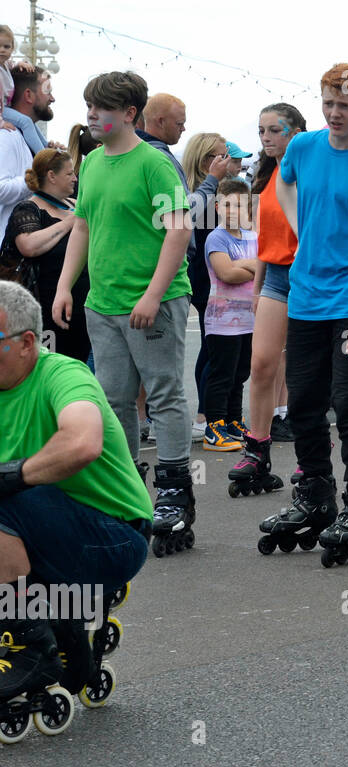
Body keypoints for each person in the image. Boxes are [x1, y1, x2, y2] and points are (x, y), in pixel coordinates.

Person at [259, 64, 348, 566]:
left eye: (345, 104)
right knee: (303, 406)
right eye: (328, 103)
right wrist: (302, 230)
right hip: (305, 297)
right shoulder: (301, 148)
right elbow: (284, 186)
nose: (335, 113)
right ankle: (316, 496)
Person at [53, 71, 194, 558]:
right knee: (113, 400)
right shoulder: (90, 162)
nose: (91, 115)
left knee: (163, 394)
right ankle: (128, 489)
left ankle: (175, 494)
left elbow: (178, 231)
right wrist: (65, 286)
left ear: (130, 114)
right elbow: (83, 226)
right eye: (88, 106)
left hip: (153, 301)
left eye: (100, 108)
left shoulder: (153, 163)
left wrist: (153, 295)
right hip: (104, 304)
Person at [0, 281, 152, 727]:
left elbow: (83, 442)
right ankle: (64, 640)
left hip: (115, 536)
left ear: (28, 343)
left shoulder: (63, 375)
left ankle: (34, 649)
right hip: (47, 531)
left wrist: (11, 475)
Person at [227, 103, 306, 500]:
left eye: (276, 130)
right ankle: (257, 449)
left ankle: (311, 456)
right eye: (262, 131)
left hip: (310, 274)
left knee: (307, 370)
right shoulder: (266, 176)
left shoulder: (308, 171)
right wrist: (257, 287)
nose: (267, 138)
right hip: (275, 275)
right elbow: (263, 240)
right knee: (261, 364)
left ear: (296, 133)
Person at [3, 149, 91, 361]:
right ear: (52, 176)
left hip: (82, 310)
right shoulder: (28, 209)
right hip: (45, 312)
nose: (75, 178)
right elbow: (29, 245)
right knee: (49, 370)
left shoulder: (73, 204)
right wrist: (71, 222)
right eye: (69, 174)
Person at [180, 132, 232, 438]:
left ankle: (213, 413)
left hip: (221, 277)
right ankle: (205, 416)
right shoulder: (196, 189)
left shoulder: (218, 189)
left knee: (218, 348)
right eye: (219, 155)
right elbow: (188, 215)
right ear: (204, 159)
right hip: (202, 277)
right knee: (213, 347)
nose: (226, 161)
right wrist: (213, 180)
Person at [201, 178, 258, 452]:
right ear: (217, 206)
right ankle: (214, 426)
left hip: (249, 320)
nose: (233, 210)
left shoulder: (252, 236)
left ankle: (234, 420)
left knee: (240, 373)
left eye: (239, 205)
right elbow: (227, 274)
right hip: (222, 321)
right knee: (222, 373)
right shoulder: (216, 237)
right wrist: (252, 265)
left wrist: (244, 265)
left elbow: (264, 268)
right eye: (227, 204)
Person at [135, 94, 188, 191]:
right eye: (179, 124)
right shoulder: (162, 159)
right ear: (161, 122)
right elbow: (186, 204)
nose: (183, 129)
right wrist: (212, 179)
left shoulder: (132, 152)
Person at [3, 65, 53, 156]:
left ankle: (45, 148)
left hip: (4, 108)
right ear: (28, 95)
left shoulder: (5, 65)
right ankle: (44, 157)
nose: (53, 99)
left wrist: (20, 65)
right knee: (26, 121)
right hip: (2, 110)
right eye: (47, 92)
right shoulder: (6, 139)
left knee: (28, 122)